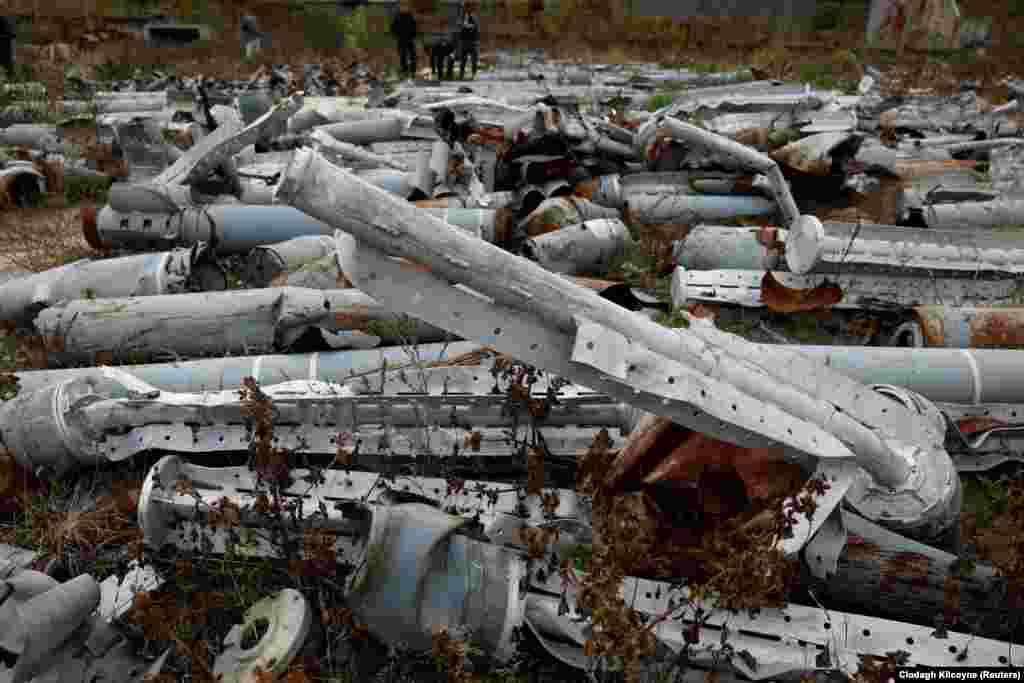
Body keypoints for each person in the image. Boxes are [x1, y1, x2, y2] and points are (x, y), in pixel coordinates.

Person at [391, 3, 418, 79]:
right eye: (402, 7)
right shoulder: (397, 17)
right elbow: (393, 28)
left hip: (409, 39)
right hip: (401, 39)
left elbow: (414, 27)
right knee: (402, 55)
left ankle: (413, 71)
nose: (404, 9)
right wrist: (397, 35)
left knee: (412, 55)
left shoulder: (410, 17)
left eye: (405, 7)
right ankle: (404, 70)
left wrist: (413, 35)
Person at [456, 2, 479, 81]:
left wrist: (465, 25)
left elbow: (473, 26)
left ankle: (474, 75)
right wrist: (462, 25)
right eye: (465, 8)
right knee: (463, 60)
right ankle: (461, 75)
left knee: (474, 60)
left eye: (467, 8)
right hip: (463, 41)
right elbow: (459, 25)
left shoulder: (473, 17)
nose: (466, 9)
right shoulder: (462, 17)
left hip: (472, 41)